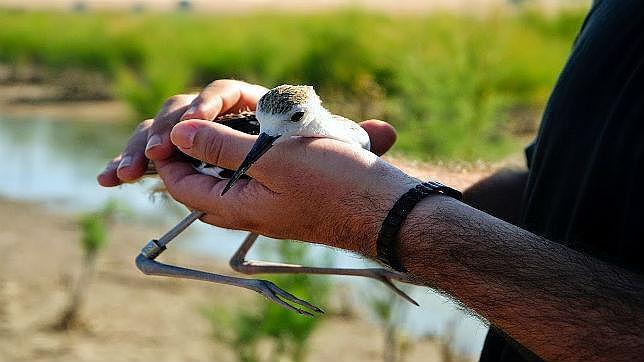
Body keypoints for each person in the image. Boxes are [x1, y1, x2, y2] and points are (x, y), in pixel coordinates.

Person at [97, 1, 643, 360]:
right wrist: (376, 193)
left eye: (278, 131)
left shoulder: (343, 136)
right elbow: (552, 194)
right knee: (154, 257)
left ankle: (254, 273)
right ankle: (252, 273)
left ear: (312, 114)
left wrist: (385, 219)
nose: (261, 148)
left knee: (243, 254)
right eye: (264, 128)